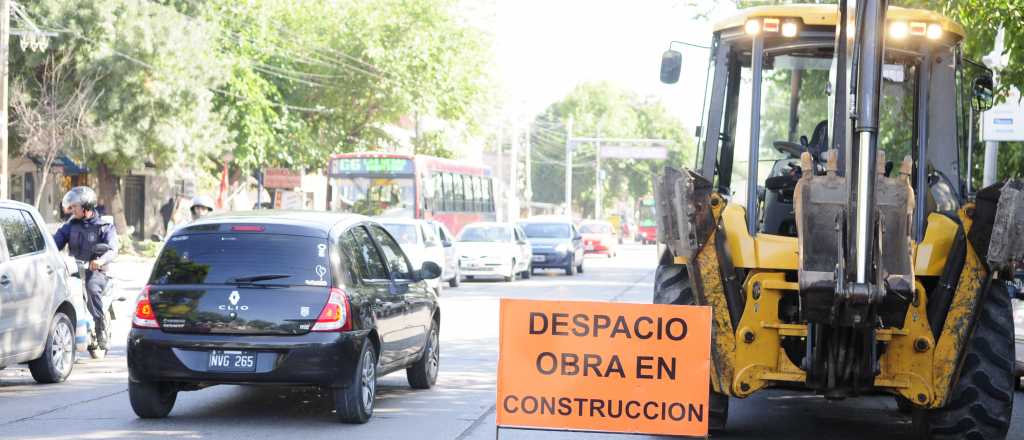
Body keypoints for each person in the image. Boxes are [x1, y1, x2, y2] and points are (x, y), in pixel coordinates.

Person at [53, 186, 118, 351]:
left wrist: (101, 261)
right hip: (74, 269)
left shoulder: (104, 226)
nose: (71, 209)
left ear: (86, 207)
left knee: (91, 287)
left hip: (96, 271)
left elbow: (112, 249)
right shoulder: (71, 225)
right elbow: (55, 243)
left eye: (75, 206)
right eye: (71, 206)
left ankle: (100, 326)